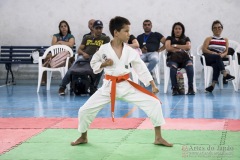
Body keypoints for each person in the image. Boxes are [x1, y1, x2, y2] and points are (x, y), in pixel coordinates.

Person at [70, 16, 173, 147]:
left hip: (126, 85)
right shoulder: (103, 49)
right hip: (108, 86)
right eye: (126, 31)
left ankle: (158, 137)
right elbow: (93, 63)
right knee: (84, 110)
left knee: (154, 103)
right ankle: (83, 136)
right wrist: (104, 64)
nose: (128, 34)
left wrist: (152, 84)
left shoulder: (130, 51)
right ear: (116, 32)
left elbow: (140, 66)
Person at [58, 20, 110, 95]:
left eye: (100, 28)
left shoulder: (105, 38)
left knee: (100, 68)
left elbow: (107, 51)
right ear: (93, 28)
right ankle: (62, 87)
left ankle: (94, 87)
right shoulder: (87, 37)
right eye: (97, 28)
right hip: (84, 57)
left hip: (97, 58)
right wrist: (84, 53)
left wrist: (100, 52)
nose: (99, 30)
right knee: (72, 68)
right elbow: (79, 50)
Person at [202, 20, 235, 92]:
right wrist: (212, 53)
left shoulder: (225, 39)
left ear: (222, 29)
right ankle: (225, 74)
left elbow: (226, 51)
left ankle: (212, 85)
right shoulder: (209, 38)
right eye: (215, 28)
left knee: (216, 64)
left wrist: (222, 55)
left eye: (219, 27)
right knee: (217, 57)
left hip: (218, 58)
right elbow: (204, 49)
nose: (217, 29)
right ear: (212, 29)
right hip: (208, 57)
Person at [41, 20, 75, 85]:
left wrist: (60, 42)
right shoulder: (55, 35)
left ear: (68, 27)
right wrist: (65, 43)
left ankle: (69, 82)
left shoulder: (71, 36)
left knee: (70, 62)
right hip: (56, 55)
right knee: (46, 58)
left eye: (65, 26)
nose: (63, 28)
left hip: (67, 56)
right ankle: (43, 80)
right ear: (59, 28)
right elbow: (53, 44)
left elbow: (71, 44)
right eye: (61, 26)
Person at [165, 22, 195, 95]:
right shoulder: (169, 38)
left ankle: (191, 88)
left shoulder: (186, 38)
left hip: (185, 59)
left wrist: (175, 45)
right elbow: (168, 48)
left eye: (179, 29)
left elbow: (188, 47)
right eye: (176, 29)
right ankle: (174, 88)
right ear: (173, 30)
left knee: (190, 65)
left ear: (182, 30)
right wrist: (182, 47)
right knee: (173, 68)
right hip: (173, 59)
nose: (177, 30)